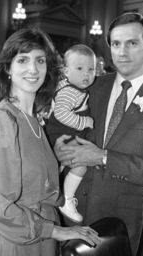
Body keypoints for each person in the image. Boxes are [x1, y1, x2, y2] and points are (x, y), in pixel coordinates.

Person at [54, 12, 143, 256]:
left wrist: (103, 157)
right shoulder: (90, 85)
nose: (122, 52)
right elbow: (58, 123)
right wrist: (57, 149)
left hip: (117, 222)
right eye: (115, 44)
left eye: (132, 43)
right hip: (67, 213)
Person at [0, 27, 101, 256]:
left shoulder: (36, 120)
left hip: (44, 237)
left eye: (40, 60)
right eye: (22, 60)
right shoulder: (1, 119)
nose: (33, 69)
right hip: (19, 240)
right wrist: (57, 231)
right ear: (8, 68)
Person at [45, 44, 96, 223]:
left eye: (91, 69)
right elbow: (61, 113)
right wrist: (84, 122)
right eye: (80, 68)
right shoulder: (70, 92)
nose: (86, 74)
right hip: (61, 136)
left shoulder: (69, 87)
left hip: (65, 136)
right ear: (66, 71)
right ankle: (66, 199)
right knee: (80, 166)